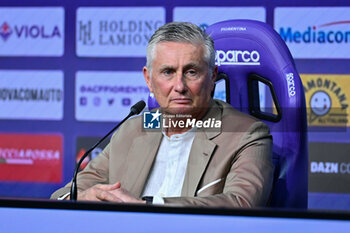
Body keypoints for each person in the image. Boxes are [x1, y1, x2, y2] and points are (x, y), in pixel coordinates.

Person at [51, 22, 274, 207]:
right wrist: (80, 198)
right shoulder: (135, 128)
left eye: (191, 72)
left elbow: (242, 204)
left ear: (212, 75)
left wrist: (150, 206)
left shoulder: (246, 134)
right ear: (148, 79)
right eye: (168, 72)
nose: (179, 86)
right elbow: (63, 195)